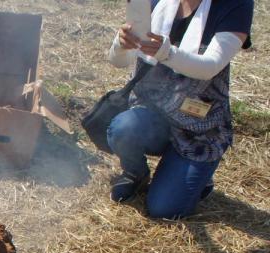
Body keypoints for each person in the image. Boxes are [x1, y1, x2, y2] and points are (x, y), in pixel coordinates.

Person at [105, 0, 253, 219]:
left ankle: (195, 174)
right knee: (123, 127)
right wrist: (121, 44)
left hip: (200, 129)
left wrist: (166, 52)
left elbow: (210, 66)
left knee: (163, 210)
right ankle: (136, 172)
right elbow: (118, 61)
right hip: (153, 114)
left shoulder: (235, 4)